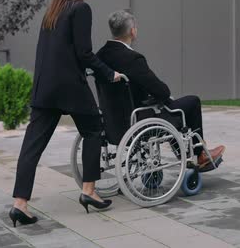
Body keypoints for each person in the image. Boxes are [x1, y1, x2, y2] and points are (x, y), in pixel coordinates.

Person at [10, 0, 120, 227]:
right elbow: (84, 53)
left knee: (31, 147)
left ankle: (19, 204)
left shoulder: (53, 10)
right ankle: (89, 191)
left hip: (45, 87)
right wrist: (109, 73)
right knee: (94, 129)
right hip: (70, 86)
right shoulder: (81, 9)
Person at [96, 9, 225, 169]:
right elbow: (162, 91)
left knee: (166, 107)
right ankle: (199, 154)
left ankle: (186, 153)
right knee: (191, 102)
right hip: (138, 120)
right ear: (132, 31)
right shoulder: (132, 58)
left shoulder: (100, 55)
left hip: (113, 122)